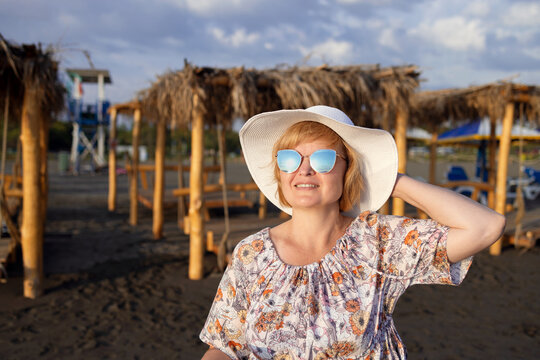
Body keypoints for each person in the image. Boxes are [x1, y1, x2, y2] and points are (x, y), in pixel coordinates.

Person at [199, 105, 505, 359]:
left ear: (348, 169)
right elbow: (225, 345)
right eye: (290, 158)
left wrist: (392, 181)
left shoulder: (378, 241)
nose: (304, 170)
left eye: (323, 159)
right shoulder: (252, 253)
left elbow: (485, 226)